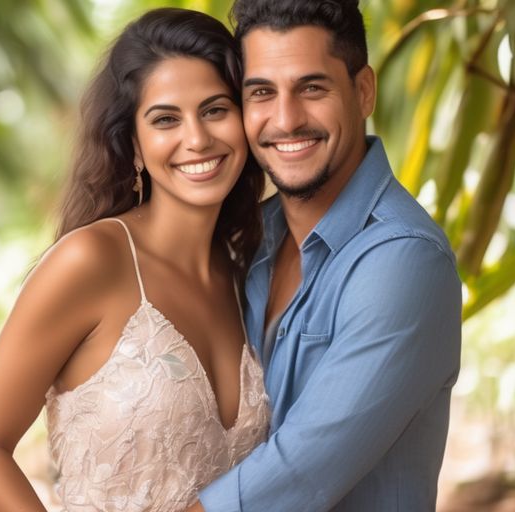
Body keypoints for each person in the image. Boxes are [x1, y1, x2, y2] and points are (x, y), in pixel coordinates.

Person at [0, 8, 270, 511]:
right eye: (166, 119)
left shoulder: (243, 269)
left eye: (215, 109)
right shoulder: (91, 261)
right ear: (135, 146)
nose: (197, 138)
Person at [186, 0, 463, 511]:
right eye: (262, 92)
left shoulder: (403, 262)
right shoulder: (247, 240)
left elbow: (296, 475)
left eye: (312, 88)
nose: (286, 120)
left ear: (363, 92)